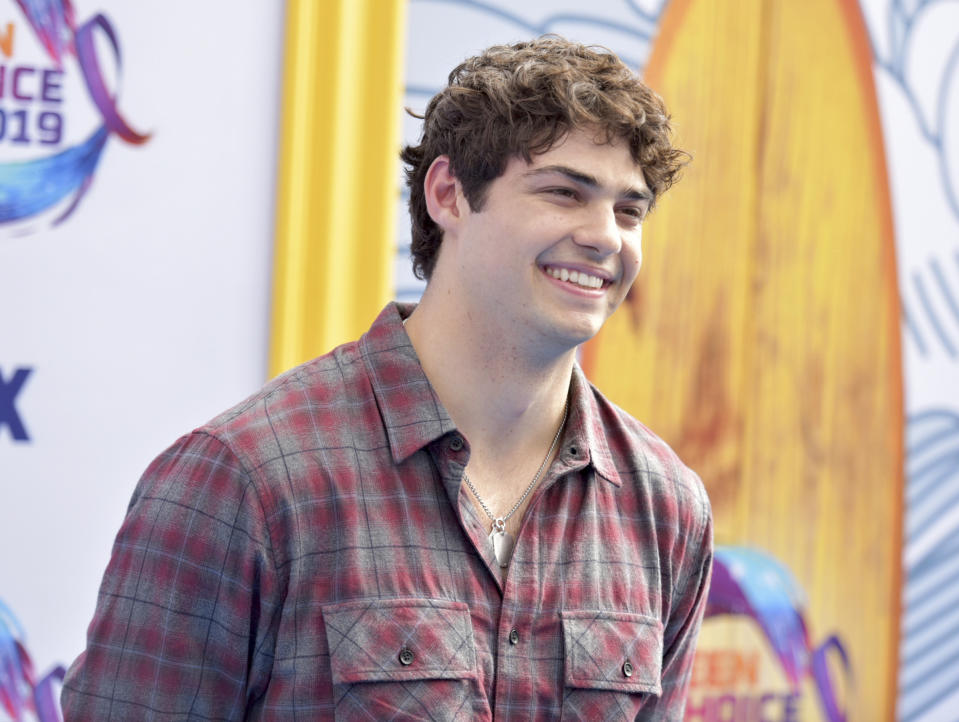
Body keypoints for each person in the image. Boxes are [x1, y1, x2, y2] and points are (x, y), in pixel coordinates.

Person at [62, 36, 712, 720]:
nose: (605, 236)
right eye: (562, 192)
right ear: (448, 194)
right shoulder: (242, 479)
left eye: (629, 210)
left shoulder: (665, 507)